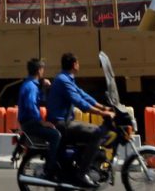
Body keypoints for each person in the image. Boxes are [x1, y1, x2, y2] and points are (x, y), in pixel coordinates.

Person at [47, 52, 115, 188]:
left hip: (66, 121)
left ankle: (80, 163)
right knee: (96, 133)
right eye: (78, 62)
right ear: (74, 64)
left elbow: (83, 95)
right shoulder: (63, 80)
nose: (79, 65)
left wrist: (105, 107)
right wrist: (102, 113)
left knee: (90, 129)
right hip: (60, 123)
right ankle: (82, 173)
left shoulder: (67, 78)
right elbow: (78, 101)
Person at [18, 58, 61, 181]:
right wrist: (42, 122)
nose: (43, 72)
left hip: (29, 122)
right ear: (39, 70)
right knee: (56, 135)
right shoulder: (31, 87)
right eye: (42, 69)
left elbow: (41, 101)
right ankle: (50, 169)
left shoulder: (31, 84)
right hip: (30, 123)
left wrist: (44, 87)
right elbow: (31, 106)